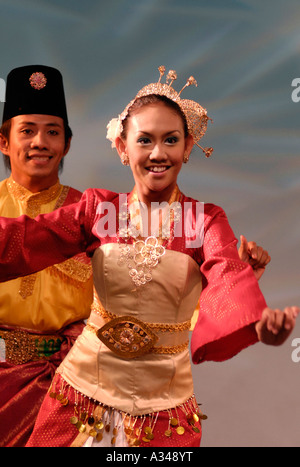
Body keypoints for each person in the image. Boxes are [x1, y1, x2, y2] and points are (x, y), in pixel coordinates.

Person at [0, 66, 295, 448]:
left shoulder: (204, 220)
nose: (158, 153)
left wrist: (256, 323)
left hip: (163, 406)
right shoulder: (96, 209)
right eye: (145, 140)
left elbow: (225, 271)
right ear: (123, 147)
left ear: (187, 147)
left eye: (170, 140)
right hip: (79, 392)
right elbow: (24, 240)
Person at [0, 65, 93, 447]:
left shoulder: (92, 215)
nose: (40, 142)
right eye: (27, 131)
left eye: (52, 132)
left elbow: (143, 288)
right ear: (4, 142)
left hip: (81, 385)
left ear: (66, 145)